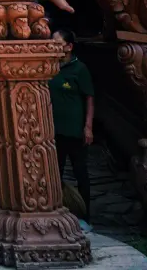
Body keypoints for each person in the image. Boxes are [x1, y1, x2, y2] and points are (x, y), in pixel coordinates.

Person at [50, 29, 94, 229]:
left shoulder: (79, 69)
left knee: (80, 172)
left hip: (75, 131)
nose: (54, 47)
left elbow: (89, 98)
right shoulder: (49, 67)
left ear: (69, 47)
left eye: (58, 43)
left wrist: (88, 126)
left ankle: (86, 215)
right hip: (54, 131)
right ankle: (58, 213)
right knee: (55, 173)